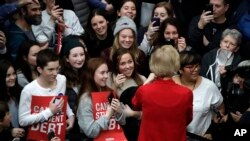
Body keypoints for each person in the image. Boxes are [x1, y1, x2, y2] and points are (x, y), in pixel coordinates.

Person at [132, 45, 193, 141]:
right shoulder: (186, 93)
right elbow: (188, 119)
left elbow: (135, 104)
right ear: (175, 64)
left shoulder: (144, 90)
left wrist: (147, 82)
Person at [18, 49, 75, 139]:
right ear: (40, 69)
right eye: (50, 70)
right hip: (39, 136)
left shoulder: (62, 80)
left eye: (57, 68)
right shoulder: (28, 90)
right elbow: (23, 121)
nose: (55, 73)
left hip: (58, 134)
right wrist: (49, 112)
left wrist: (71, 115)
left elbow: (62, 100)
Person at [172, 51, 224, 140]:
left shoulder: (209, 86)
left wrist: (212, 131)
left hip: (198, 137)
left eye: (197, 66)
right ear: (180, 69)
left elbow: (221, 110)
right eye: (190, 67)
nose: (196, 70)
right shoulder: (169, 84)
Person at [77, 58, 125, 139]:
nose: (106, 76)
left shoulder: (110, 92)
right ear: (91, 74)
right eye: (102, 73)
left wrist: (119, 111)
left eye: (107, 72)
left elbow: (123, 122)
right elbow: (91, 132)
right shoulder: (85, 100)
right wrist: (107, 115)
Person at [0, 59, 23, 128]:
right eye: (8, 75)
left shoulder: (18, 90)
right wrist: (10, 131)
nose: (13, 77)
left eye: (14, 74)